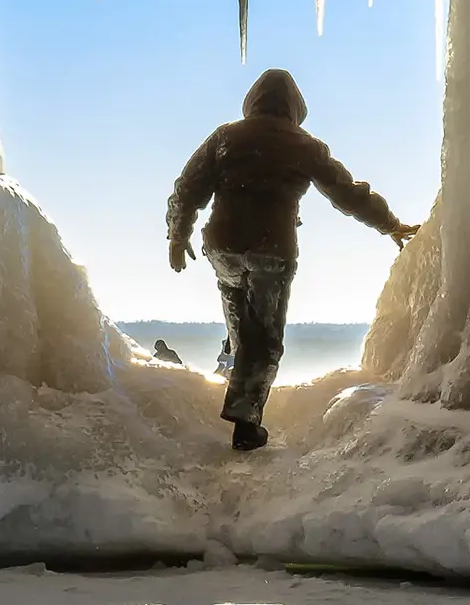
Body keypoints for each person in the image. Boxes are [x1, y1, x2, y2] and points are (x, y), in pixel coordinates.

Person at [164, 68, 417, 452]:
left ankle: (235, 367)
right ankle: (246, 424)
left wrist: (178, 234)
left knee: (241, 322)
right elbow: (348, 194)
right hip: (272, 251)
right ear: (296, 108)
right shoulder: (304, 145)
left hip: (224, 247)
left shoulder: (226, 137)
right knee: (265, 340)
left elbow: (188, 187)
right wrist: (391, 225)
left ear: (252, 102)